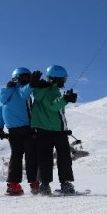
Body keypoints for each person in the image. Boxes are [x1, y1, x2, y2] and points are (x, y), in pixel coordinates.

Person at [30, 65, 78, 195]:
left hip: (43, 131)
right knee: (64, 157)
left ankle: (44, 185)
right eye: (63, 79)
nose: (64, 82)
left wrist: (64, 98)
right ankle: (65, 184)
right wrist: (65, 99)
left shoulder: (42, 90)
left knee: (44, 158)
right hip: (56, 131)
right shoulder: (49, 90)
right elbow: (53, 106)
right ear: (56, 79)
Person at [0, 67, 39, 195]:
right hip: (27, 128)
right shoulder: (21, 91)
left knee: (16, 156)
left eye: (29, 77)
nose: (27, 80)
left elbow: (0, 113)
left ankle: (13, 185)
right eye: (25, 77)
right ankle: (35, 184)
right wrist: (32, 84)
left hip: (12, 130)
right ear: (17, 78)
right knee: (31, 156)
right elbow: (26, 91)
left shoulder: (5, 95)